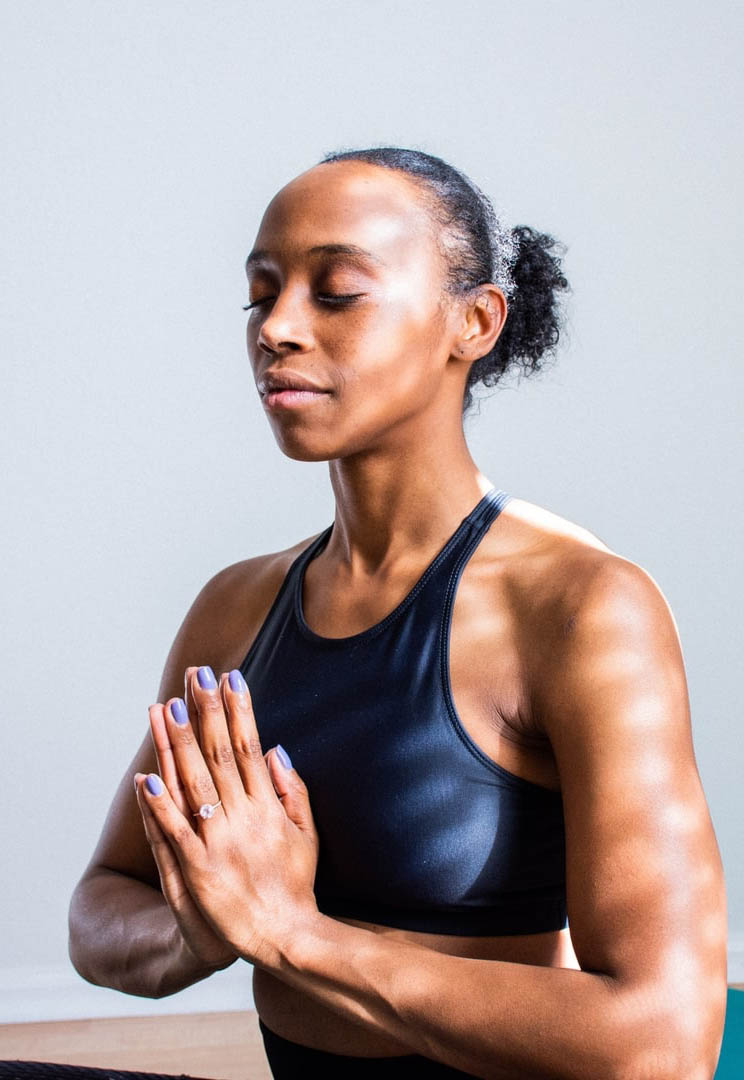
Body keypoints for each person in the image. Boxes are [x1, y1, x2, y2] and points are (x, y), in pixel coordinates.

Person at [68, 146, 728, 1079]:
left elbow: (663, 1041)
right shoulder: (234, 607)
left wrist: (294, 936)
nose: (278, 328)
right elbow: (103, 903)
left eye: (337, 292)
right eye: (261, 295)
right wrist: (203, 930)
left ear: (474, 322)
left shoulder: (582, 608)